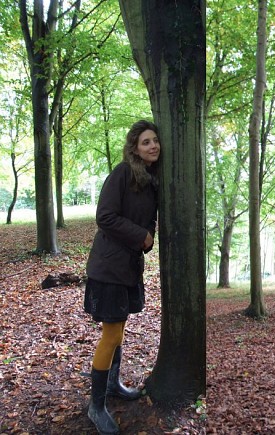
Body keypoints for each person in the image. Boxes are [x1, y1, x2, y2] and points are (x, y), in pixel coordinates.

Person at [83, 120, 160, 434]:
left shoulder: (150, 180)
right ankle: (96, 406)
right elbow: (105, 216)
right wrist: (141, 235)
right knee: (111, 335)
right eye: (145, 142)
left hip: (127, 267)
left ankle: (113, 385)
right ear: (134, 148)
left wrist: (149, 233)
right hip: (108, 267)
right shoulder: (122, 173)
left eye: (155, 140)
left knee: (118, 329)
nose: (153, 146)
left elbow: (148, 221)